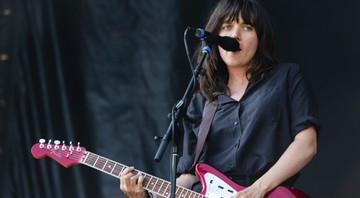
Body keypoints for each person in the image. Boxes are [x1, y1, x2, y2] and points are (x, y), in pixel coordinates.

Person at [119, 0, 320, 197]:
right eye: (227, 26)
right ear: (215, 38)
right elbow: (189, 178)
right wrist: (145, 196)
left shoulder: (286, 77)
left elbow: (306, 144)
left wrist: (259, 189)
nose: (235, 35)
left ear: (260, 37)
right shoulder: (201, 102)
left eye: (247, 27)